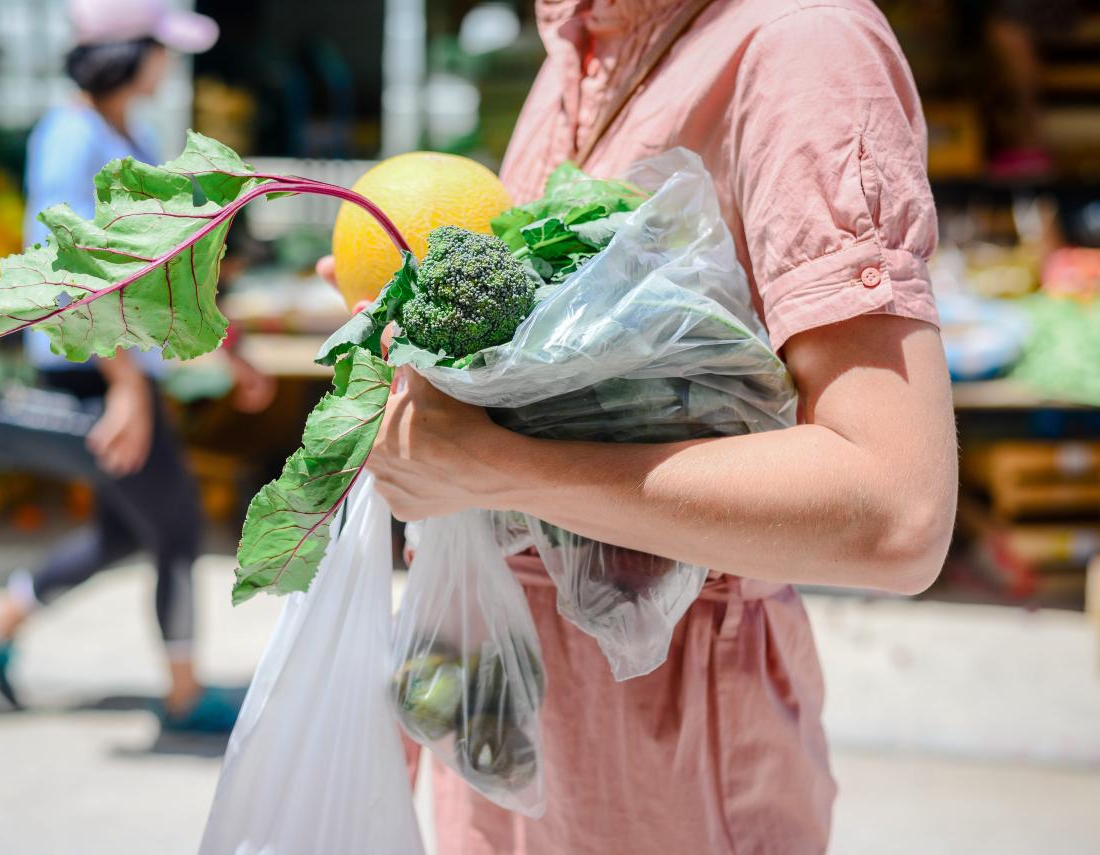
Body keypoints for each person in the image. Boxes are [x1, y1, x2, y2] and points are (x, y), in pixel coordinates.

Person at [338, 0, 958, 851]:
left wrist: (492, 464)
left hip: (665, 772)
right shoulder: (572, 52)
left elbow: (896, 512)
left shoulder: (803, 44)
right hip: (502, 734)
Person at [0, 0, 275, 732]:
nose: (168, 64)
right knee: (176, 525)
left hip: (121, 369)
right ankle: (187, 693)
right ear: (126, 54)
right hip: (95, 370)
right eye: (160, 48)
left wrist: (229, 350)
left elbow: (162, 268)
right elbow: (73, 274)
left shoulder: (129, 129)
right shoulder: (68, 138)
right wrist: (128, 389)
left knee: (122, 531)